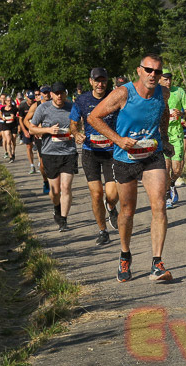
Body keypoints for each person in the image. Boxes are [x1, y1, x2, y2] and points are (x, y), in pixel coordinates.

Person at [88, 54, 174, 282]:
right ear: (139, 70)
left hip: (152, 154)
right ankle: (125, 254)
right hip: (125, 157)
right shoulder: (123, 93)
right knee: (127, 211)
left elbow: (164, 112)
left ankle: (157, 263)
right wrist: (118, 140)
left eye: (157, 71)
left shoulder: (163, 93)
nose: (153, 75)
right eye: (148, 70)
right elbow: (94, 118)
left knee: (159, 205)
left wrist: (164, 138)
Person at [70, 67, 120, 246]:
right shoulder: (82, 100)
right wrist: (76, 134)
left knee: (112, 194)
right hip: (90, 151)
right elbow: (73, 124)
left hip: (111, 152)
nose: (100, 84)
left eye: (103, 80)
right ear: (90, 81)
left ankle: (111, 207)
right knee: (97, 193)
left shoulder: (115, 97)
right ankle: (102, 231)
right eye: (97, 81)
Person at [29, 82, 76, 232]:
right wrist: (48, 130)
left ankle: (64, 220)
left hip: (69, 152)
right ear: (52, 94)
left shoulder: (72, 107)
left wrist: (77, 132)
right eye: (56, 93)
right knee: (55, 192)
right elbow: (31, 129)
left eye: (62, 93)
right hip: (50, 153)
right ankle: (57, 208)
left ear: (65, 94)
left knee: (66, 187)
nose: (59, 96)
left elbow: (79, 125)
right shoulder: (43, 108)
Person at [160, 70, 186, 209]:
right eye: (165, 79)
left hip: (177, 134)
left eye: (170, 79)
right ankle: (167, 195)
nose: (168, 82)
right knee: (166, 168)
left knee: (177, 169)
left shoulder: (179, 91)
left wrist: (182, 113)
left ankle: (172, 184)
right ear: (159, 79)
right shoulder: (155, 93)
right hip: (163, 135)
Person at [18, 90, 38, 174]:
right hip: (26, 128)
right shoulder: (22, 106)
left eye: (32, 98)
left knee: (39, 146)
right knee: (29, 146)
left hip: (36, 128)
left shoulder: (37, 105)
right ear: (26, 97)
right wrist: (24, 131)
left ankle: (41, 164)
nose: (31, 100)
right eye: (30, 98)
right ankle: (32, 165)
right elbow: (20, 119)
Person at [0, 93, 19, 162]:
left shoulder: (14, 108)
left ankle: (13, 152)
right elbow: (0, 114)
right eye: (8, 101)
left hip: (13, 125)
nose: (9, 102)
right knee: (8, 141)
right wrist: (2, 117)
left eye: (10, 101)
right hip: (6, 125)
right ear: (5, 101)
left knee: (13, 141)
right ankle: (10, 156)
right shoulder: (3, 108)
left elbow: (18, 115)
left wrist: (14, 117)